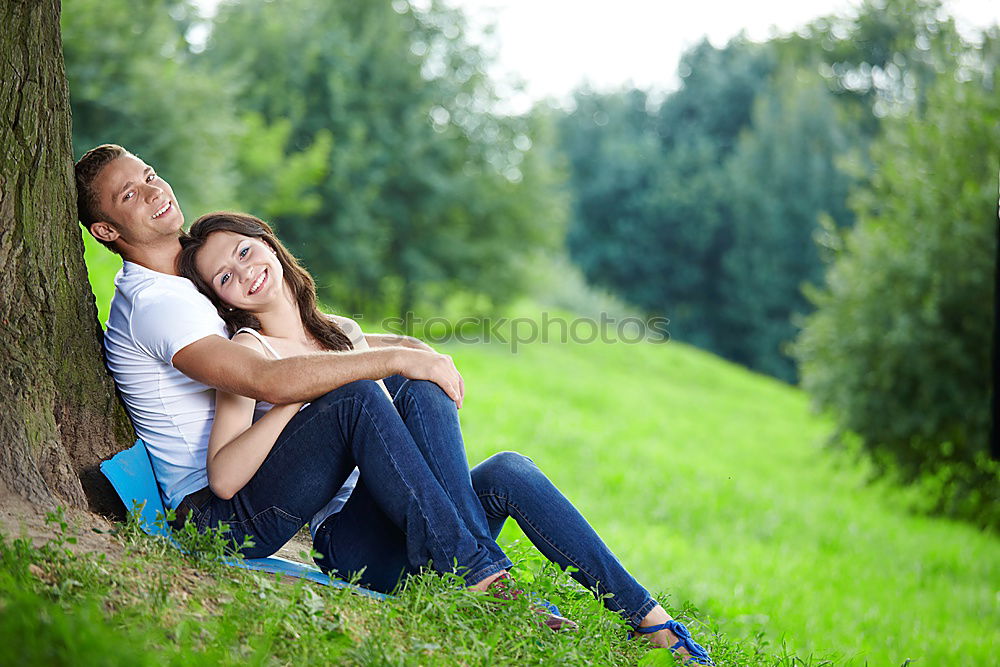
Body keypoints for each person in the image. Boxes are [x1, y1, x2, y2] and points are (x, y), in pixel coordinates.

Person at [75, 144, 714, 665]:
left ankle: (654, 623)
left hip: (335, 509)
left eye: (150, 175)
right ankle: (479, 576)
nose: (154, 190)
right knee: (357, 390)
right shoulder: (161, 304)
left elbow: (310, 338)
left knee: (507, 468)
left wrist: (408, 349)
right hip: (221, 513)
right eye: (129, 194)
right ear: (107, 229)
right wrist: (375, 366)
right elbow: (267, 380)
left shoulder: (186, 284)